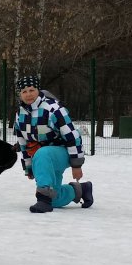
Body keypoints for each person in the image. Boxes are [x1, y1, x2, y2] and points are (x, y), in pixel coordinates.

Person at [14, 75, 93, 213]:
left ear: (38, 89)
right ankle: (81, 190)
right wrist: (29, 167)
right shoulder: (20, 114)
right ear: (20, 94)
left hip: (64, 152)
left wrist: (76, 165)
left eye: (31, 90)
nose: (28, 94)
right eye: (24, 91)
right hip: (44, 159)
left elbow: (72, 136)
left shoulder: (53, 108)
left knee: (43, 153)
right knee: (55, 198)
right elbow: (23, 141)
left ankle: (43, 200)